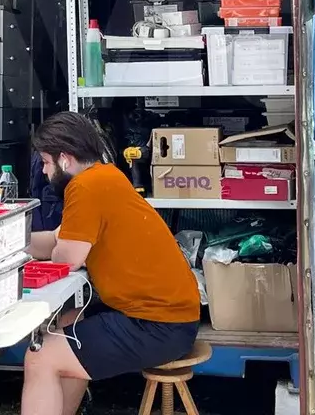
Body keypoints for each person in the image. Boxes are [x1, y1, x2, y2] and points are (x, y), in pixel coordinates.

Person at [23, 112, 200, 415]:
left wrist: (54, 252)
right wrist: (9, 243)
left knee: (40, 357)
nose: (45, 171)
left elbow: (68, 257)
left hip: (158, 325)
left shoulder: (84, 187)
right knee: (67, 323)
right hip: (171, 316)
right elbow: (56, 239)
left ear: (64, 159)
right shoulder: (106, 176)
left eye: (46, 162)